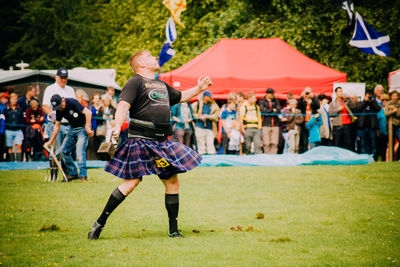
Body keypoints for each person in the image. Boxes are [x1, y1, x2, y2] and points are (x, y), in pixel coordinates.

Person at [87, 50, 212, 240]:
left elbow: (182, 96)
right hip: (141, 140)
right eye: (151, 56)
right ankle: (99, 223)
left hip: (162, 143)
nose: (155, 57)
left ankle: (173, 230)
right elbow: (123, 106)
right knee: (131, 183)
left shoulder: (160, 84)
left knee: (172, 181)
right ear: (141, 64)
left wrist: (199, 88)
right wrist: (116, 128)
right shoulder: (135, 82)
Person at [44, 94, 94, 181]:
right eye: (57, 107)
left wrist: (87, 127)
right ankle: (73, 173)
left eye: (60, 106)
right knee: (63, 151)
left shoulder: (72, 102)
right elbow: (57, 126)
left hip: (82, 129)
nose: (60, 108)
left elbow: (88, 113)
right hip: (72, 129)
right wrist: (50, 141)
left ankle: (83, 175)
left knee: (79, 151)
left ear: (63, 100)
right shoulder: (59, 109)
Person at [42, 68, 76, 160]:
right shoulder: (50, 89)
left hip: (68, 124)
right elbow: (45, 106)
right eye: (61, 78)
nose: (63, 80)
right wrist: (54, 118)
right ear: (56, 77)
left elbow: (74, 106)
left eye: (65, 78)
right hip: (55, 124)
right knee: (56, 151)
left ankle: (68, 174)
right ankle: (54, 174)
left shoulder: (70, 90)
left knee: (66, 152)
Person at [355, 90, 381, 158]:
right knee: (363, 144)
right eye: (367, 96)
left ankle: (373, 158)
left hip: (372, 127)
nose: (369, 97)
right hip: (362, 127)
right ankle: (364, 157)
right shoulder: (361, 103)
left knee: (373, 143)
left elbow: (378, 109)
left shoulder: (373, 103)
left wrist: (372, 101)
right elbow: (358, 109)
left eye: (370, 96)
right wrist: (365, 101)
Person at [297, 87, 320, 153]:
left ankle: (313, 153)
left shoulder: (314, 99)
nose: (307, 94)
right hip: (304, 122)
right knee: (304, 140)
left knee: (312, 139)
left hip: (312, 122)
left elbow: (317, 106)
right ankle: (304, 153)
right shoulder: (303, 100)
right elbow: (299, 106)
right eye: (306, 92)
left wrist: (313, 97)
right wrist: (301, 97)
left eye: (308, 92)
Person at [259, 88, 281, 154]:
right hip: (266, 124)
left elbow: (278, 110)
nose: (273, 95)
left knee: (274, 142)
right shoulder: (262, 101)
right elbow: (262, 110)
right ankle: (267, 157)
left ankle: (273, 157)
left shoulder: (276, 100)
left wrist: (268, 111)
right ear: (268, 94)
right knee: (266, 143)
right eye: (272, 94)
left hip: (275, 124)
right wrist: (272, 110)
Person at [4, 93, 24, 161]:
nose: (14, 101)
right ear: (10, 99)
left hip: (18, 130)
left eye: (16, 99)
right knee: (9, 147)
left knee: (19, 145)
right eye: (13, 99)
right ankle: (11, 162)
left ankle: (18, 163)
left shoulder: (20, 109)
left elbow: (22, 119)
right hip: (9, 129)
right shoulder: (6, 109)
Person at [385, 91, 400, 161]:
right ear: (391, 96)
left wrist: (396, 111)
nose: (395, 97)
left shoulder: (399, 104)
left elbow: (398, 114)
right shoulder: (388, 103)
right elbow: (386, 113)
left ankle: (397, 157)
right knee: (391, 142)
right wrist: (393, 111)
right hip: (390, 125)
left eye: (396, 96)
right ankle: (392, 158)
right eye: (393, 95)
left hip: (398, 125)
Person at [376, 94, 389, 161]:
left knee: (387, 146)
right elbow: (376, 121)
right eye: (383, 100)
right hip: (381, 131)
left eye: (386, 100)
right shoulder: (379, 110)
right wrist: (377, 130)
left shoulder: (390, 109)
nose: (385, 101)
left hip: (389, 131)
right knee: (380, 146)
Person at [0, 92, 9, 161]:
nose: (6, 100)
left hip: (4, 129)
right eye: (4, 98)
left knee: (5, 146)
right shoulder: (1, 107)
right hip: (1, 129)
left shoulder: (7, 107)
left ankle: (4, 158)